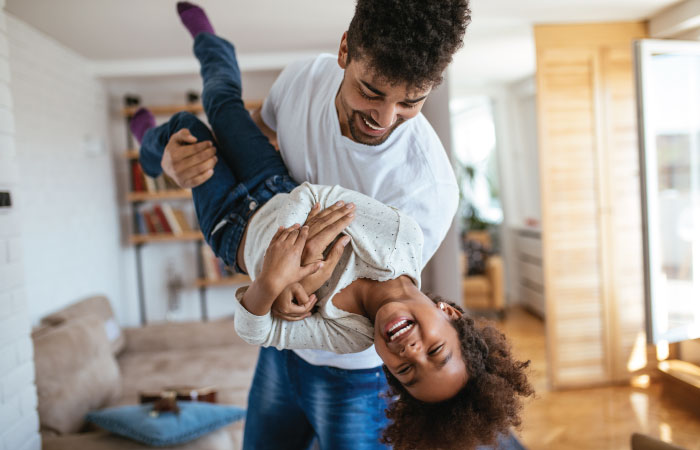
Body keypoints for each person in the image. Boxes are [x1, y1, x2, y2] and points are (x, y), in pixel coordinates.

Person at [131, 17, 532, 450]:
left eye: (410, 102)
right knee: (208, 112)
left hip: (333, 356)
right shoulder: (397, 241)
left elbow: (258, 326)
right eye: (371, 92)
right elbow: (307, 187)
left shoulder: (426, 193)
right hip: (271, 189)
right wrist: (288, 261)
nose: (384, 118)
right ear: (345, 51)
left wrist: (270, 283)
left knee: (189, 127)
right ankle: (171, 117)